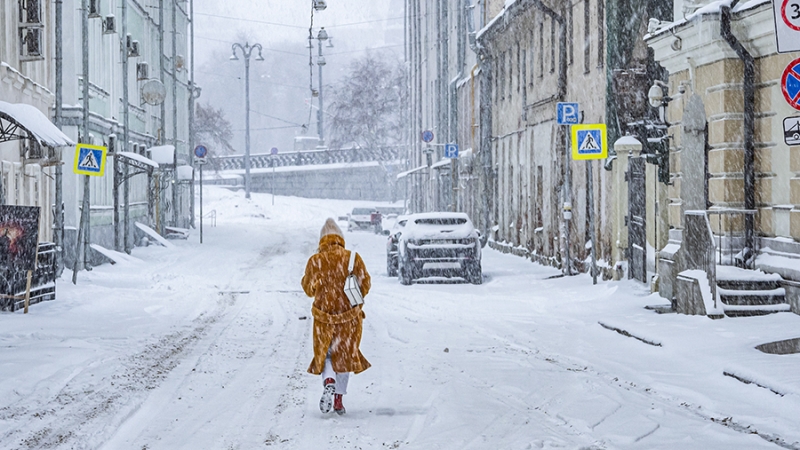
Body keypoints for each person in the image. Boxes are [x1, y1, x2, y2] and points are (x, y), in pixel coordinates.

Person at [301, 218, 371, 415]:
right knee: (344, 357)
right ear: (340, 238)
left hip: (323, 319)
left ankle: (329, 381)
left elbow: (308, 289)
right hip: (349, 319)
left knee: (326, 355)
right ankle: (338, 400)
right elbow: (365, 285)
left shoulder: (315, 260)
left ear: (322, 240)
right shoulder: (353, 258)